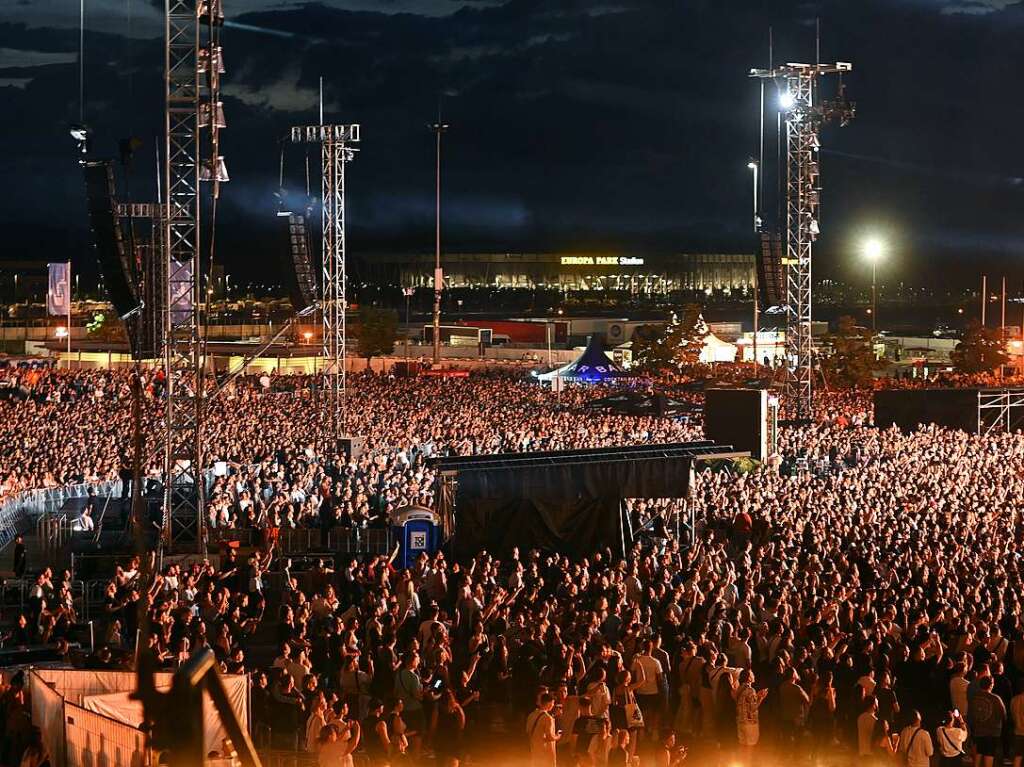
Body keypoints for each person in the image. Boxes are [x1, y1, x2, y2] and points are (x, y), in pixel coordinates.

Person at [971, 675, 1007, 767]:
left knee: (979, 752)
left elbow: (972, 713)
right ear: (991, 685)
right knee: (989, 755)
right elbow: (1003, 715)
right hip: (992, 732)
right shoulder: (996, 698)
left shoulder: (974, 697)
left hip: (978, 730)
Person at [732, 669, 768, 756]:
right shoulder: (750, 690)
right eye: (752, 674)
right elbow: (753, 708)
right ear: (748, 678)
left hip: (740, 721)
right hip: (750, 723)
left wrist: (757, 696)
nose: (754, 676)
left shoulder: (740, 688)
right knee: (750, 748)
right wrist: (761, 698)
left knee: (742, 746)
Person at [527, 692, 561, 767]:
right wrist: (558, 736)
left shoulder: (531, 715)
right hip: (545, 754)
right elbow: (550, 737)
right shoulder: (548, 718)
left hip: (534, 750)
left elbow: (528, 731)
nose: (553, 705)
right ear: (549, 703)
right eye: (553, 703)